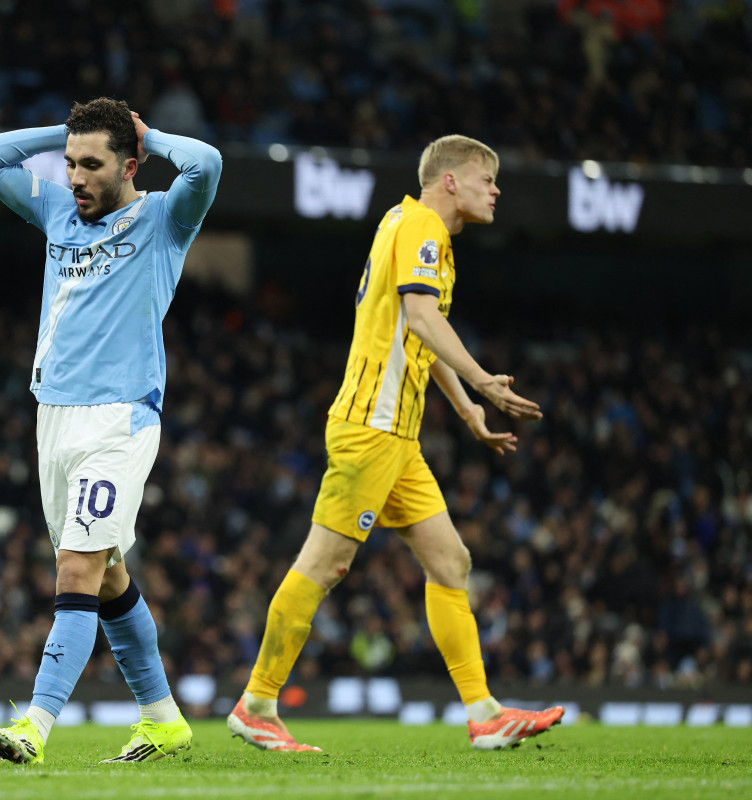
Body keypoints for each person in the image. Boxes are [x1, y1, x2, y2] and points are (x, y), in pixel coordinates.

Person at [227, 135, 564, 752]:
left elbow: (420, 336)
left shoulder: (405, 225)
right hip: (369, 429)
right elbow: (422, 318)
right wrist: (484, 381)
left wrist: (464, 410)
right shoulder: (423, 228)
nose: (497, 191)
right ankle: (257, 703)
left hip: (400, 438)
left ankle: (484, 712)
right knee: (325, 563)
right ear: (452, 181)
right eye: (487, 179)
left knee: (450, 562)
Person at [0, 98, 222, 764]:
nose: (75, 177)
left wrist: (150, 132)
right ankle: (163, 718)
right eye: (69, 164)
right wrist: (68, 131)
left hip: (119, 418)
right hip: (53, 417)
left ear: (130, 165)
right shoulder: (56, 212)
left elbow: (209, 162)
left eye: (91, 164)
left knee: (76, 568)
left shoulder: (165, 219)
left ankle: (36, 724)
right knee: (107, 575)